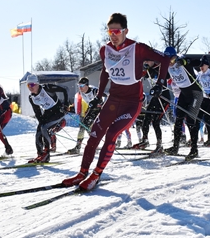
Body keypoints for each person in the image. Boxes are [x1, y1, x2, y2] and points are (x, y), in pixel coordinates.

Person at [61, 12, 170, 191]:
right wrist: (98, 97)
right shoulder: (105, 50)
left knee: (111, 134)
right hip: (113, 100)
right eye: (110, 31)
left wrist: (160, 83)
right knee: (94, 134)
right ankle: (82, 173)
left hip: (132, 103)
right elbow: (105, 72)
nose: (113, 35)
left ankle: (96, 175)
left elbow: (165, 60)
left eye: (117, 31)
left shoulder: (138, 48)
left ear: (126, 31)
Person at [163, 47, 204, 160]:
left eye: (171, 60)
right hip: (184, 94)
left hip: (196, 93)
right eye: (167, 60)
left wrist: (186, 62)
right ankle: (175, 147)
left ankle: (194, 149)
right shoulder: (168, 67)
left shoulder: (182, 61)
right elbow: (162, 76)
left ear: (175, 57)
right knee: (178, 119)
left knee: (190, 120)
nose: (169, 63)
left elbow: (198, 62)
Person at [25, 74, 69, 163]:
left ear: (37, 84)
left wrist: (66, 104)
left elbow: (64, 90)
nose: (30, 87)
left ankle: (46, 154)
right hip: (48, 112)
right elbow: (37, 112)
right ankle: (40, 155)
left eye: (32, 84)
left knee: (44, 128)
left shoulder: (47, 88)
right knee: (38, 132)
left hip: (58, 110)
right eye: (28, 85)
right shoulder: (31, 98)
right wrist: (41, 122)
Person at [133, 60, 171, 153]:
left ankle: (159, 145)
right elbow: (142, 76)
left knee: (156, 122)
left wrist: (156, 69)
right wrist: (144, 70)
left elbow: (168, 76)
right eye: (145, 61)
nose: (145, 62)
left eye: (147, 61)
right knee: (146, 119)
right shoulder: (149, 70)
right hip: (155, 98)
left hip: (164, 98)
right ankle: (144, 140)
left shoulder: (160, 68)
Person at [67, 77, 101, 154]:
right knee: (83, 126)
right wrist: (69, 108)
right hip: (92, 109)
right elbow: (77, 103)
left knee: (89, 126)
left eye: (82, 86)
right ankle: (78, 147)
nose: (80, 88)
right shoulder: (80, 93)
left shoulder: (93, 90)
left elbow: (103, 95)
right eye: (79, 85)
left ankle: (97, 144)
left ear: (87, 85)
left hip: (100, 109)